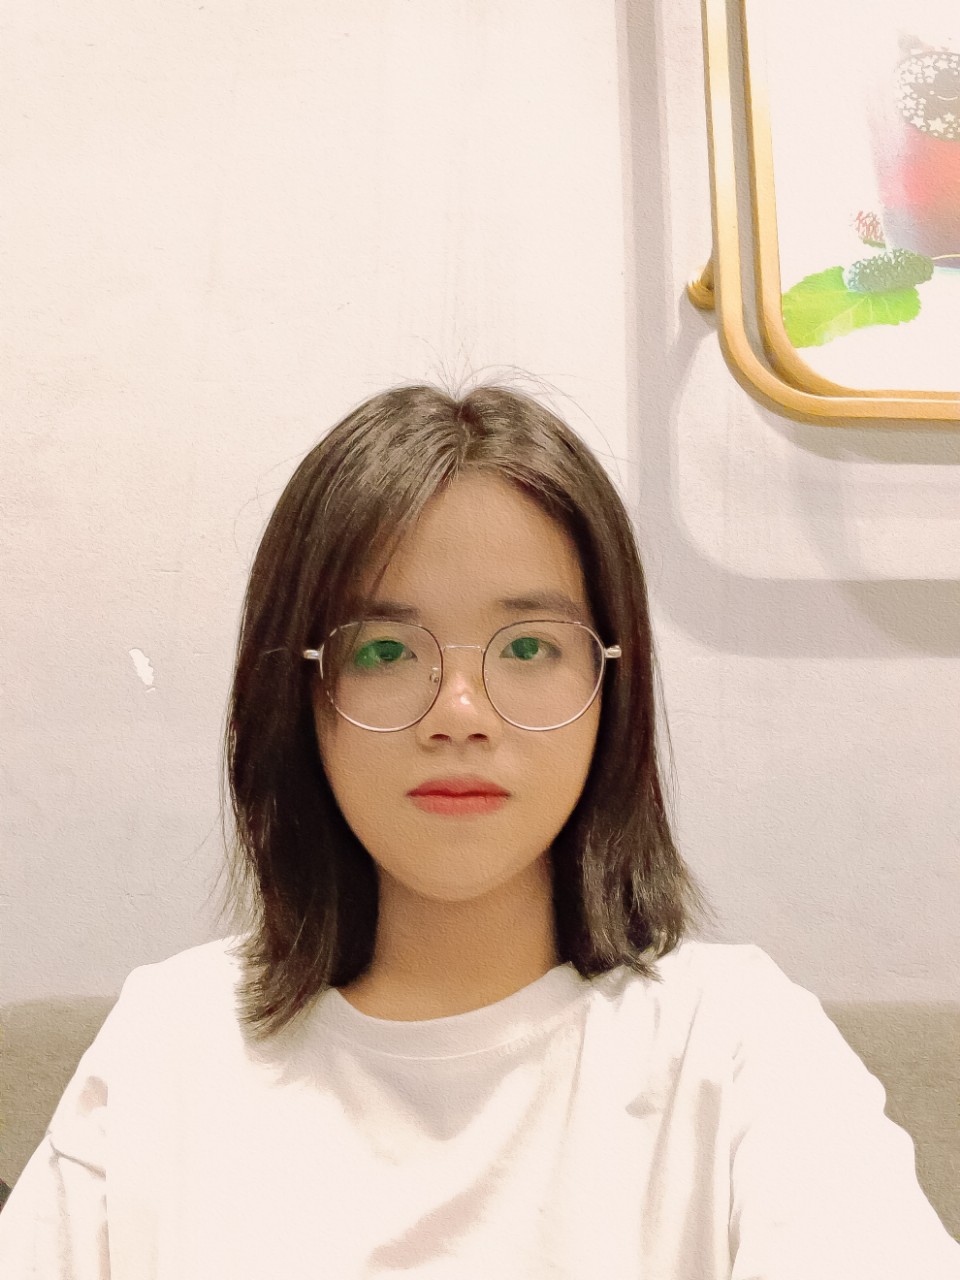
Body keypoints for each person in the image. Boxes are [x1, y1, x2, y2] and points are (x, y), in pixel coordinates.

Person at [0, 381, 957, 1278]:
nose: (459, 712)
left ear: (611, 688)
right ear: (296, 693)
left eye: (530, 646)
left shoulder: (736, 1046)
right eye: (384, 649)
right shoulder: (170, 1047)